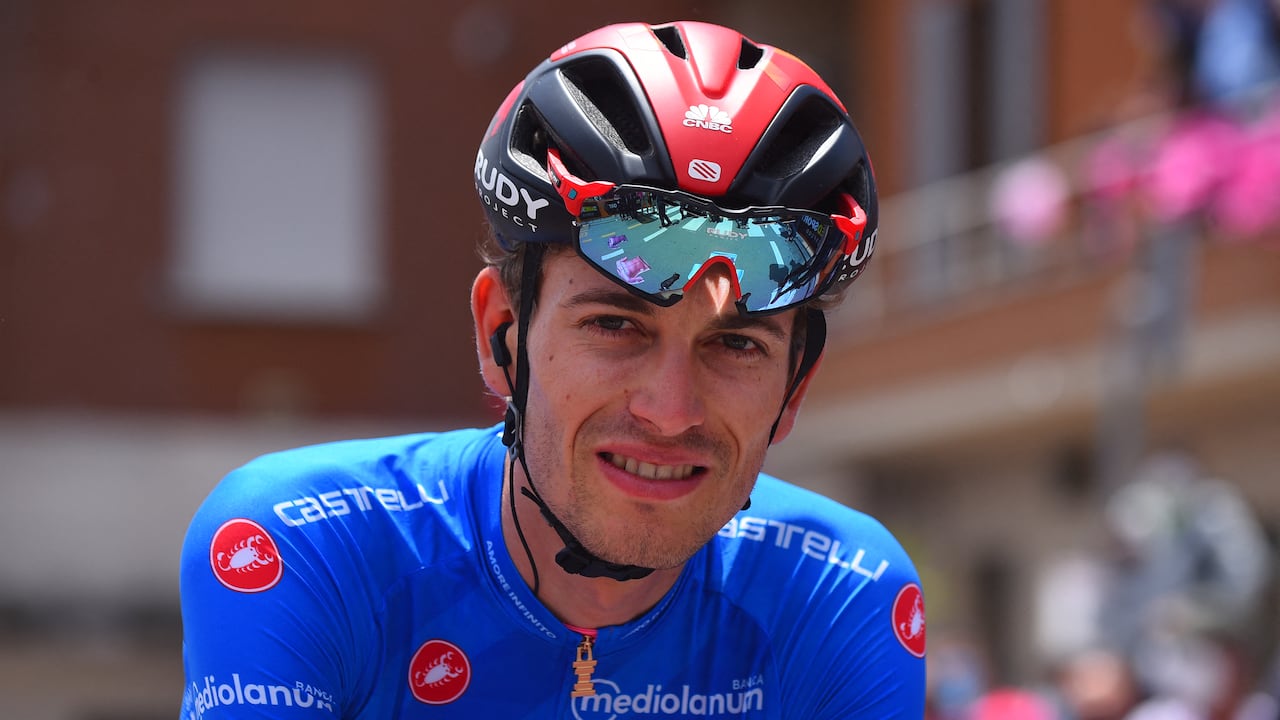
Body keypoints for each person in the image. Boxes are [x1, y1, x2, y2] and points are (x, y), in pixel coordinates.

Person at [178, 20, 924, 719]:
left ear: (795, 383)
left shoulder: (840, 592)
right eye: (615, 325)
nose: (671, 410)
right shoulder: (297, 545)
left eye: (736, 345)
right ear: (502, 334)